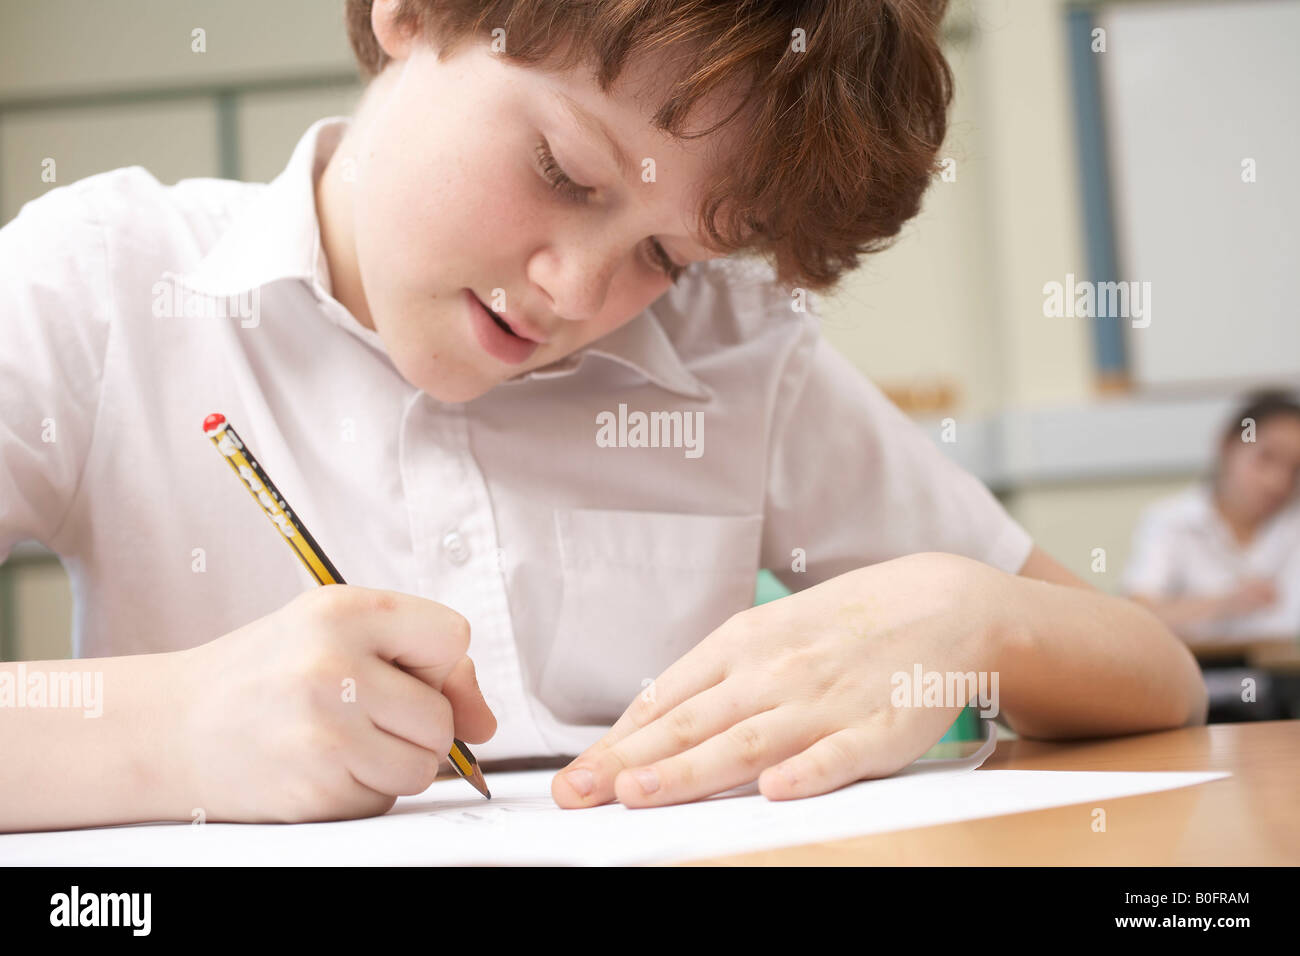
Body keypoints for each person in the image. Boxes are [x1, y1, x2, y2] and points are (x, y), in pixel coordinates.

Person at [0, 0, 1206, 832]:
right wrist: (175, 730)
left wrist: (970, 618)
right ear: (411, 11)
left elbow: (1160, 677)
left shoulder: (732, 354)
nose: (580, 293)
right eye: (564, 175)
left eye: (668, 257)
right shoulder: (106, 281)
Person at [1123, 391, 1300, 642]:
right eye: (1266, 457)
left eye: (1295, 469)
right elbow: (1136, 615)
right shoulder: (1170, 520)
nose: (1278, 482)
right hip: (1197, 674)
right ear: (1227, 445)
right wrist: (1224, 604)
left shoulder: (1293, 525)